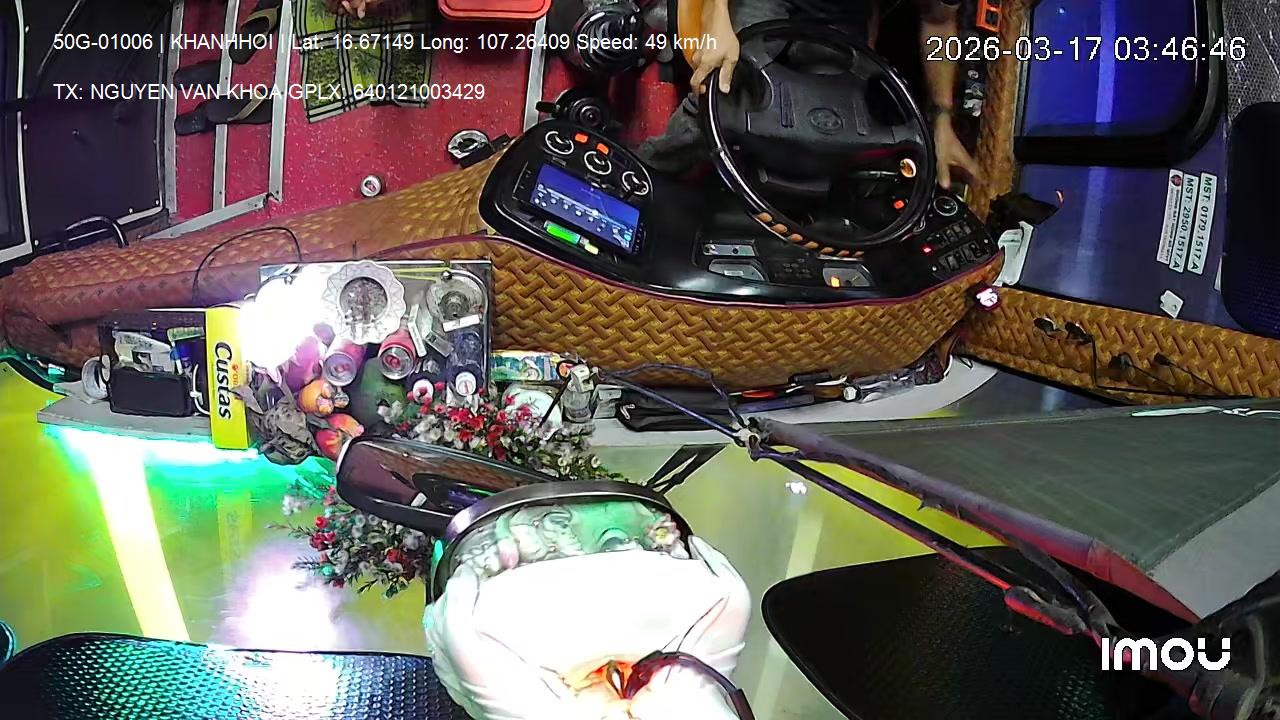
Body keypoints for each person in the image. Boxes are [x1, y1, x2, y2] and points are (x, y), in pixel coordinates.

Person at [639, 0, 983, 190]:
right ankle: (644, 175)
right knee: (727, 88)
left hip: (843, 12)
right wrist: (717, 20)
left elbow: (939, 23)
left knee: (830, 130)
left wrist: (942, 119)